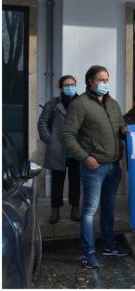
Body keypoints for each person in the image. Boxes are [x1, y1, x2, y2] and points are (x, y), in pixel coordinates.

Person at [62, 65, 129, 269]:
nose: (105, 83)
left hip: (113, 166)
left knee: (109, 208)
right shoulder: (80, 104)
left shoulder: (113, 103)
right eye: (101, 79)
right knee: (90, 210)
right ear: (90, 80)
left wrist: (126, 131)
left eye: (107, 79)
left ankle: (108, 245)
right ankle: (88, 253)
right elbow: (67, 135)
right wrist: (85, 157)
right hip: (94, 167)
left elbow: (119, 128)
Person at [38, 75, 81, 224]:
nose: (70, 87)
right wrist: (49, 139)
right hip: (58, 150)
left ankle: (75, 209)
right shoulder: (53, 103)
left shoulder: (82, 102)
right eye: (66, 85)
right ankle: (55, 210)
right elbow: (42, 122)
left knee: (75, 181)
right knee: (57, 182)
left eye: (72, 84)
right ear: (61, 87)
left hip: (76, 150)